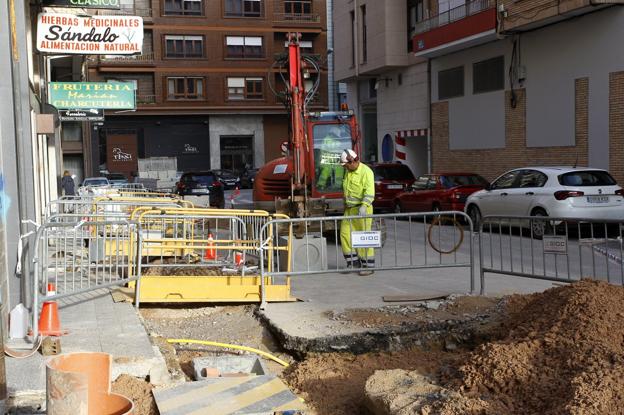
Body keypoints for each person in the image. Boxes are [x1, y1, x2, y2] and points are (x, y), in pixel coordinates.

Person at [339, 149, 375, 276]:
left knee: (363, 237)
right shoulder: (349, 171)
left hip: (362, 210)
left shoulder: (366, 172)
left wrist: (364, 206)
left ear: (353, 161)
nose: (345, 168)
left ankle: (368, 265)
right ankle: (353, 263)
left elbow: (370, 192)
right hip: (350, 210)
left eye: (346, 165)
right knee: (345, 235)